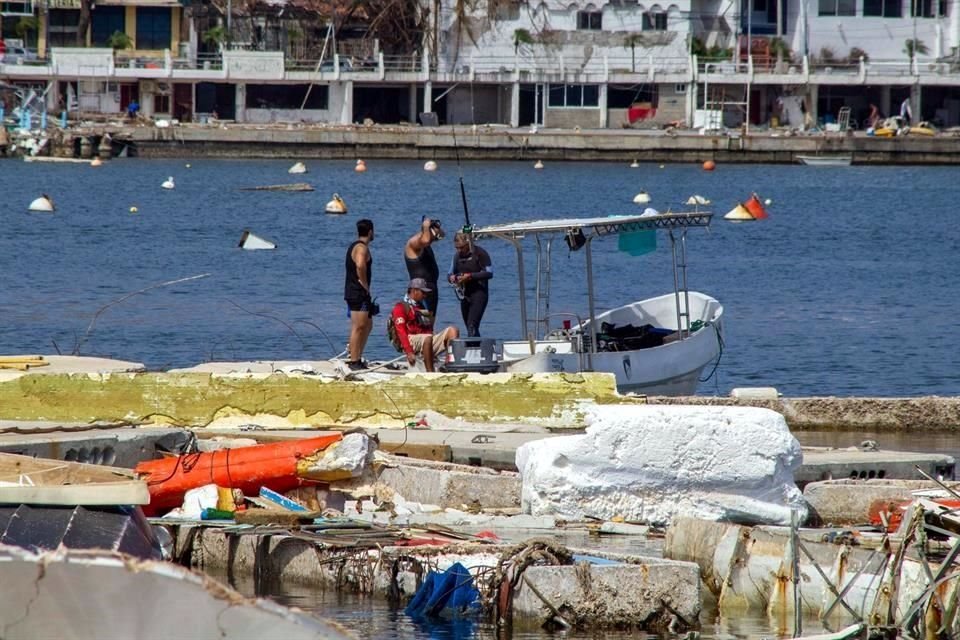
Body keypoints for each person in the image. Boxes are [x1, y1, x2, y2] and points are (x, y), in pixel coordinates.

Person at [389, 278, 459, 372]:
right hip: (409, 340)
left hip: (426, 340)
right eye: (423, 292)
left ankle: (449, 365)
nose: (425, 295)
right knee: (427, 338)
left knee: (453, 331)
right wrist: (409, 352)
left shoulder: (421, 307)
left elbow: (428, 329)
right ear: (414, 291)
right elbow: (401, 331)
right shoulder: (400, 307)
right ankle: (430, 372)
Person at [344, 219, 376, 370]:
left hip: (357, 292)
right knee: (359, 326)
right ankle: (354, 361)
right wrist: (364, 284)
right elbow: (360, 265)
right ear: (370, 232)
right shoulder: (361, 248)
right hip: (357, 292)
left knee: (367, 325)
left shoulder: (356, 246)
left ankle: (358, 356)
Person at [448, 232, 493, 337]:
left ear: (468, 243)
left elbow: (489, 273)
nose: (459, 250)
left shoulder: (480, 253)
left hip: (479, 294)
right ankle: (475, 345)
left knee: (472, 325)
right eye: (457, 248)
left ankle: (473, 345)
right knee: (469, 327)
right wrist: (452, 278)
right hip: (465, 295)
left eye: (461, 247)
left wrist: (470, 276)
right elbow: (449, 273)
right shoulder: (456, 256)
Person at [404, 217, 444, 316]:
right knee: (421, 321)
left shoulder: (426, 243)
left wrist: (436, 227)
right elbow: (426, 240)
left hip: (431, 289)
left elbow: (442, 235)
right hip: (419, 290)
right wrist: (426, 226)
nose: (434, 239)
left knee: (429, 322)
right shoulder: (414, 242)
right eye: (433, 235)